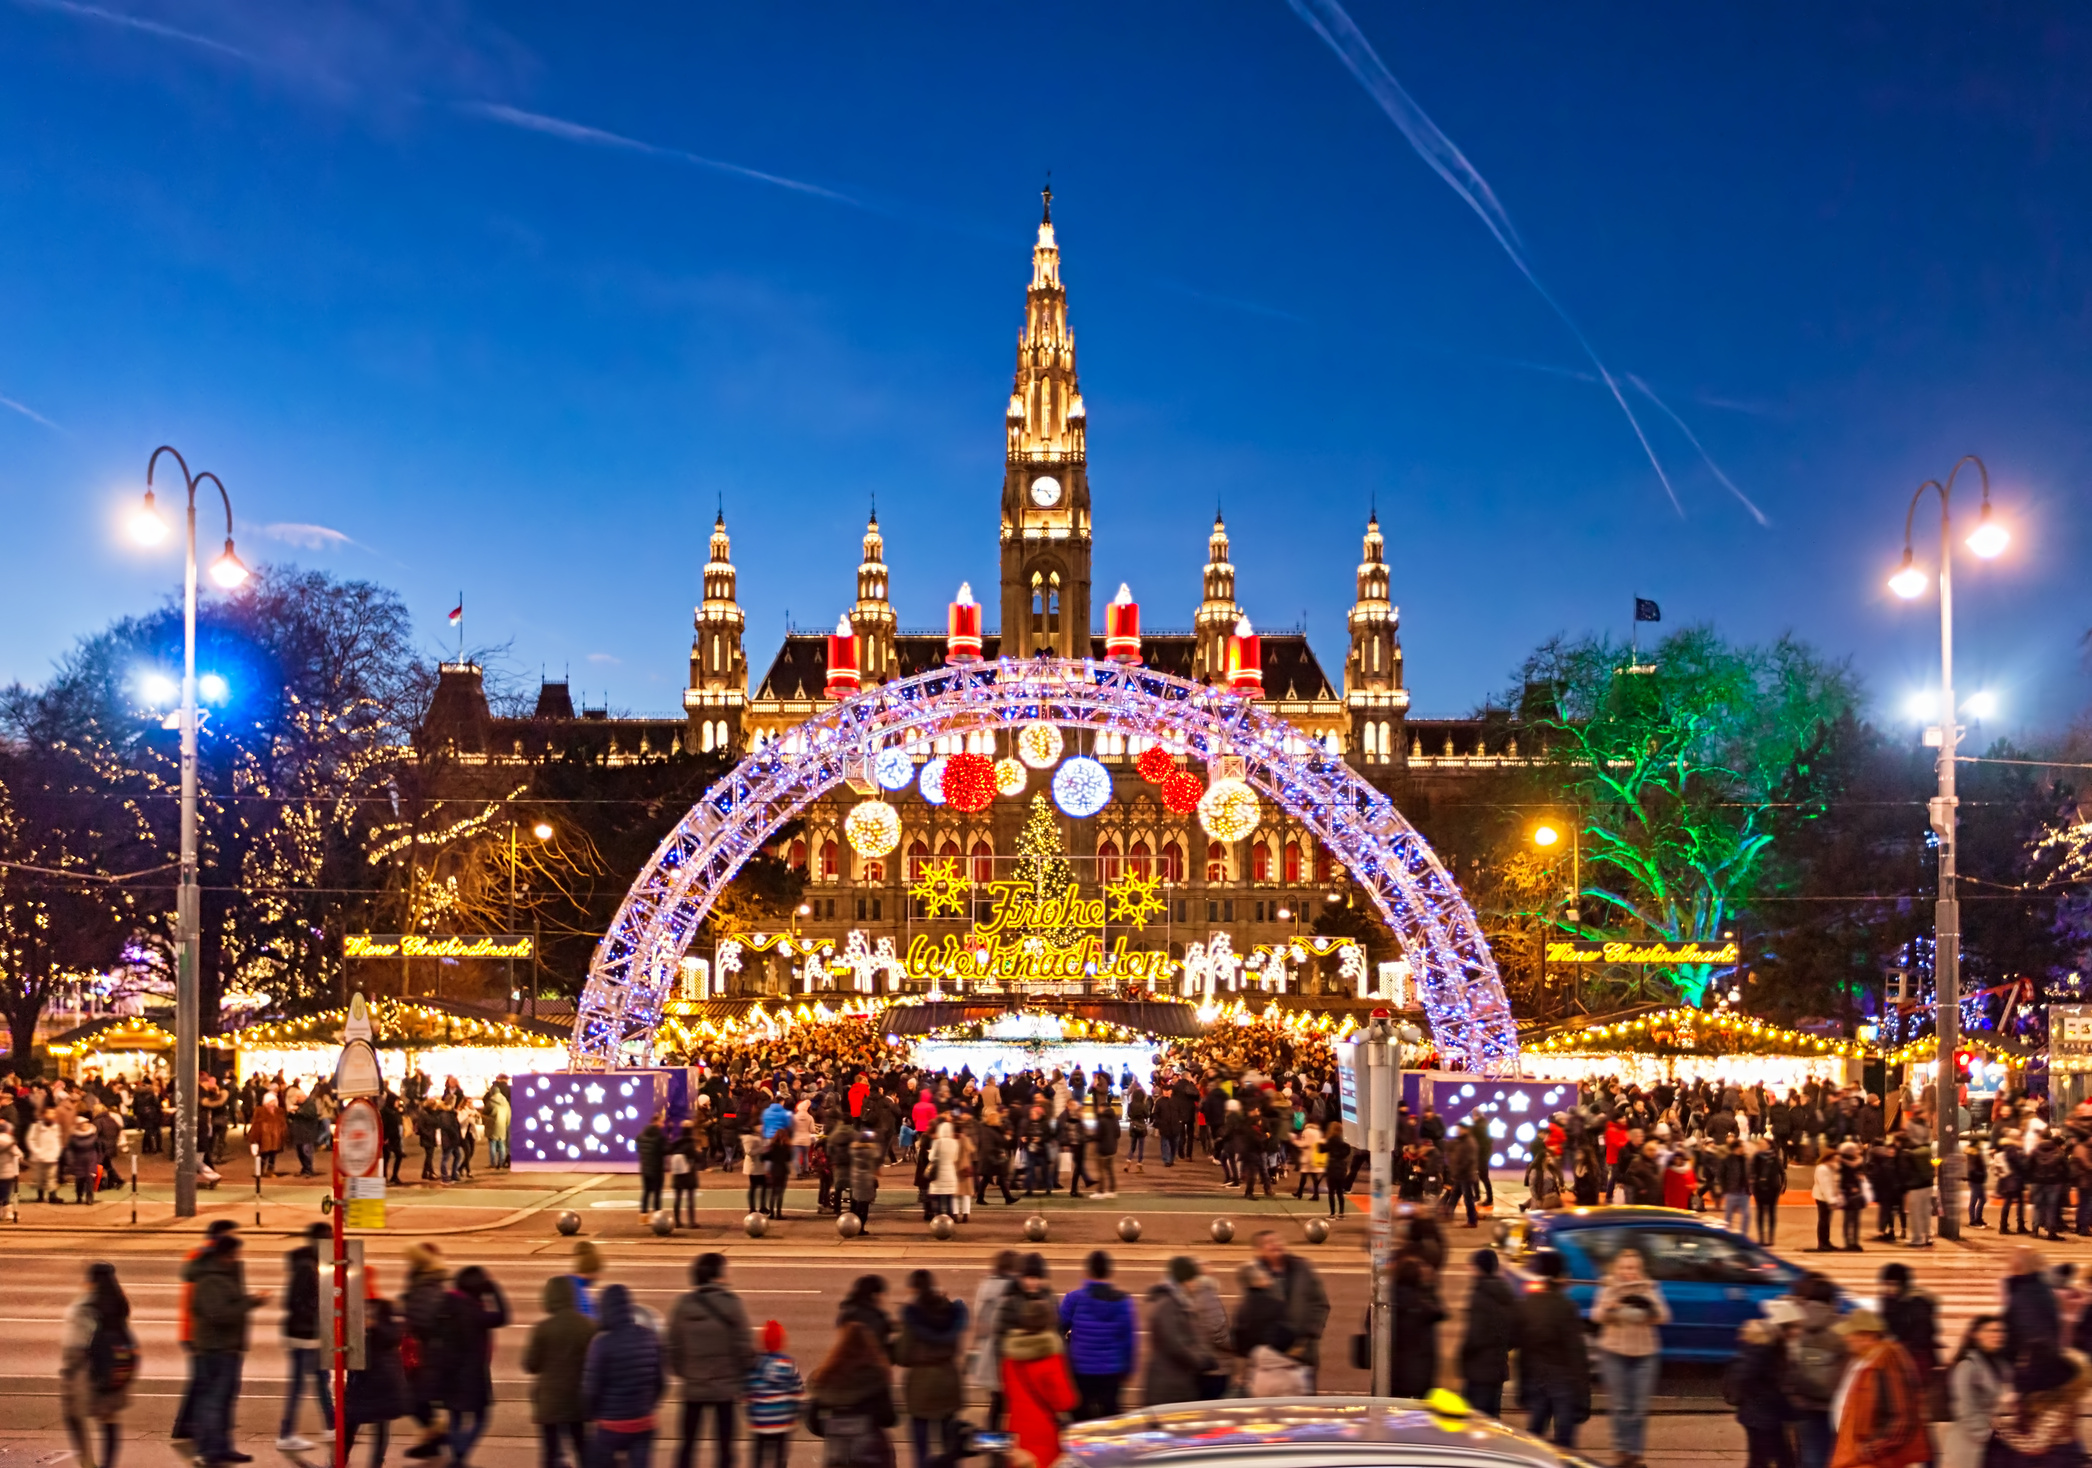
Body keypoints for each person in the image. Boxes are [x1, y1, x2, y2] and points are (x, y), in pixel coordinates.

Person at [669, 1253, 756, 1468]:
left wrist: (687, 1372)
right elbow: (743, 1347)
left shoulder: (684, 1305)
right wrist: (741, 1373)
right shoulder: (732, 1305)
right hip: (724, 1389)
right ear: (717, 1274)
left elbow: (673, 1346)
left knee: (687, 1445)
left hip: (694, 1387)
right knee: (725, 1447)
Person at [189, 1229, 267, 1468]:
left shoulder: (222, 1275)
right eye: (235, 1255)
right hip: (216, 1349)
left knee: (223, 1401)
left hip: (226, 1348)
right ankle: (209, 1450)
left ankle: (222, 1447)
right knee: (214, 1401)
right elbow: (219, 1314)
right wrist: (250, 1302)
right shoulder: (212, 1279)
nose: (237, 1259)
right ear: (225, 1255)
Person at [1592, 1249, 1667, 1468]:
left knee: (1639, 1407)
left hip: (1645, 1354)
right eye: (1625, 1268)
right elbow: (1596, 1315)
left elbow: (1664, 1316)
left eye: (1633, 1268)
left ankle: (1635, 1454)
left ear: (1639, 1269)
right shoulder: (1608, 1286)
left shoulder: (1649, 1287)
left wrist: (1650, 1307)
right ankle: (1621, 1452)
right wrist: (1610, 1306)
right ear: (1617, 1268)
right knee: (1621, 1406)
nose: (1629, 1272)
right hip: (1614, 1352)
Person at [1827, 1310, 1929, 1468]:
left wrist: (1871, 1449)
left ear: (1868, 1336)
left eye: (1850, 1334)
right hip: (1858, 1455)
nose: (1846, 1338)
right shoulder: (1863, 1358)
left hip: (1875, 1459)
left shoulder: (1889, 1359)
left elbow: (1903, 1416)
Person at [433, 1266, 509, 1468]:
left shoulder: (447, 1303)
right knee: (482, 1417)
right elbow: (503, 1317)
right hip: (472, 1374)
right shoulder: (474, 1311)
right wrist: (493, 1289)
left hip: (449, 1372)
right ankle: (458, 1456)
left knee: (456, 1417)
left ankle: (457, 1456)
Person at [583, 1284, 666, 1468]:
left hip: (611, 1425)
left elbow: (591, 1388)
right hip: (643, 1422)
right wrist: (647, 1405)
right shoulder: (649, 1337)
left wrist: (592, 1414)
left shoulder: (602, 1343)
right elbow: (660, 1382)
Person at [60, 1261, 134, 1468]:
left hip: (85, 1371)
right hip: (113, 1369)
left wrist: (69, 1369)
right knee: (108, 1419)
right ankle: (108, 1464)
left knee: (73, 1415)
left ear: (90, 1280)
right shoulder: (119, 1302)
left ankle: (87, 1462)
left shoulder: (85, 1306)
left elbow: (76, 1341)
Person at [1516, 1250, 1589, 1448]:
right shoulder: (1565, 1306)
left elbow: (1524, 1348)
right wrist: (1583, 1397)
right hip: (1562, 1382)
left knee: (1534, 1439)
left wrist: (1523, 1388)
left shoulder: (1529, 1303)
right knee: (1564, 1443)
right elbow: (1575, 1353)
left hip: (1536, 1379)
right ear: (1561, 1275)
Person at [525, 1277, 598, 1468]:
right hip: (578, 1400)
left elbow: (531, 1365)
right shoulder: (588, 1326)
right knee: (582, 1448)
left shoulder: (543, 1329)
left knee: (550, 1453)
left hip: (550, 1402)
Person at [897, 1271, 968, 1467]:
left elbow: (902, 1354)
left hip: (921, 1385)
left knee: (921, 1446)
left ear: (914, 1289)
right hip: (948, 1380)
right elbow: (956, 1346)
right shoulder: (950, 1311)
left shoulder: (913, 1315)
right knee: (950, 1445)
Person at [278, 1222, 337, 1451]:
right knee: (301, 1385)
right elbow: (294, 1302)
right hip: (304, 1335)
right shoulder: (306, 1267)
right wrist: (320, 1311)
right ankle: (286, 1434)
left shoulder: (314, 1264)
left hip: (311, 1333)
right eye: (328, 1238)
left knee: (322, 1379)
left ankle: (332, 1426)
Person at [806, 1321, 896, 1468]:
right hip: (870, 1449)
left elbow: (812, 1419)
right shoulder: (875, 1375)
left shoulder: (828, 1376)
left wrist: (831, 1429)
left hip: (837, 1452)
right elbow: (888, 1418)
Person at [1058, 1250, 1135, 1421]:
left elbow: (1057, 1329)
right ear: (1111, 1273)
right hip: (1111, 1371)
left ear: (1087, 1272)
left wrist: (1067, 1350)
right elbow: (1128, 1340)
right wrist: (1127, 1370)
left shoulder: (1074, 1299)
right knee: (1109, 1420)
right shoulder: (1123, 1301)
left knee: (1081, 1421)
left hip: (1081, 1371)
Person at [344, 1267, 409, 1468]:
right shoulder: (350, 1307)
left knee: (380, 1423)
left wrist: (374, 1327)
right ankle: (341, 1460)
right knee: (350, 1421)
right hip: (362, 1377)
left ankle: (375, 1463)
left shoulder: (384, 1307)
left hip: (381, 1376)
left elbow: (394, 1336)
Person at [1000, 1298, 1076, 1468]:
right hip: (1045, 1435)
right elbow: (1066, 1402)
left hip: (1016, 1434)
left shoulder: (1009, 1360)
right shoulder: (1052, 1359)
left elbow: (1008, 1394)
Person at [1252, 1231, 1329, 1388]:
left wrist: (1308, 1337)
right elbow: (1250, 1315)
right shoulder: (1255, 1275)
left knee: (1304, 1405)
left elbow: (1321, 1304)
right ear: (1259, 1250)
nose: (1275, 1244)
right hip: (1270, 1359)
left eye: (1277, 1239)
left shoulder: (1302, 1268)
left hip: (1303, 1354)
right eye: (1268, 1242)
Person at [1141, 1257, 1217, 1410]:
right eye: (1193, 1280)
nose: (1195, 1284)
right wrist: (1200, 1361)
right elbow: (1175, 1343)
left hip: (1174, 1383)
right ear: (1185, 1280)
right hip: (1169, 1387)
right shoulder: (1169, 1305)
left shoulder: (1176, 1302)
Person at [1731, 1299, 1799, 1468]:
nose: (1798, 1331)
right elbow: (1752, 1379)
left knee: (1768, 1459)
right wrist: (1785, 1408)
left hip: (1760, 1415)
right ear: (1783, 1327)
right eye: (1794, 1327)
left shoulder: (1768, 1344)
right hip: (1763, 1416)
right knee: (1770, 1460)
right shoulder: (1765, 1349)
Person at [1459, 1249, 1520, 1419]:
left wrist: (1464, 1356)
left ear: (1479, 1268)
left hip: (1479, 1369)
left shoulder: (1480, 1295)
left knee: (1475, 1419)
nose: (1469, 1269)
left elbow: (1474, 1336)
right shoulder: (1506, 1292)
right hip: (1498, 1367)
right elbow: (1515, 1332)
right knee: (1493, 1417)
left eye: (1472, 1266)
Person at [1943, 1316, 2008, 1468]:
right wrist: (1985, 1432)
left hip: (1991, 1440)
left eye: (2002, 1331)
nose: (1998, 1335)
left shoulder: (2000, 1364)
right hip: (1970, 1440)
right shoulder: (1967, 1365)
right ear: (1976, 1334)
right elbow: (1963, 1405)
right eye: (1993, 1330)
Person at [966, 1252, 1018, 1430]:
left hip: (990, 1352)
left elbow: (980, 1319)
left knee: (995, 1404)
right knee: (1010, 1406)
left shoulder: (986, 1286)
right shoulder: (1014, 1288)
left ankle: (993, 1447)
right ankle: (1010, 1449)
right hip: (1010, 1353)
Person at [745, 1322, 805, 1468]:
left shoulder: (755, 1363)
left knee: (758, 1455)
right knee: (780, 1456)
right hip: (782, 1420)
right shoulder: (788, 1363)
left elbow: (747, 1389)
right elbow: (797, 1391)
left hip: (760, 1420)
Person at [1751, 1138, 1788, 1247]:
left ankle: (1771, 1237)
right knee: (1760, 1213)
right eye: (1759, 1144)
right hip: (1759, 1188)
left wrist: (1782, 1186)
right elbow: (1752, 1172)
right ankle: (1761, 1238)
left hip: (1773, 1188)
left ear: (1769, 1145)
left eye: (1762, 1144)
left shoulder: (1775, 1158)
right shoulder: (1756, 1157)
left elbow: (1782, 1173)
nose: (1760, 1145)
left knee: (1771, 1213)